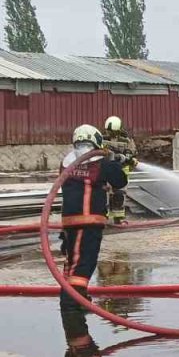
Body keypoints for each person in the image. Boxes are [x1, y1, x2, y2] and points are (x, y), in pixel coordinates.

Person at [59, 125, 128, 322]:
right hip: (89, 220)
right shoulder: (100, 163)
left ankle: (75, 298)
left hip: (69, 221)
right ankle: (72, 304)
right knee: (83, 264)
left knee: (72, 261)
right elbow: (120, 181)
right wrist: (115, 161)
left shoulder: (67, 163)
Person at [101, 116, 137, 224]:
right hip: (107, 168)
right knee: (102, 192)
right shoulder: (102, 139)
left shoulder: (126, 140)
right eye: (109, 131)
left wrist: (127, 156)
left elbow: (132, 152)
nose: (111, 134)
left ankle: (118, 218)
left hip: (121, 170)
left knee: (119, 194)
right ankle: (103, 217)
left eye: (113, 132)